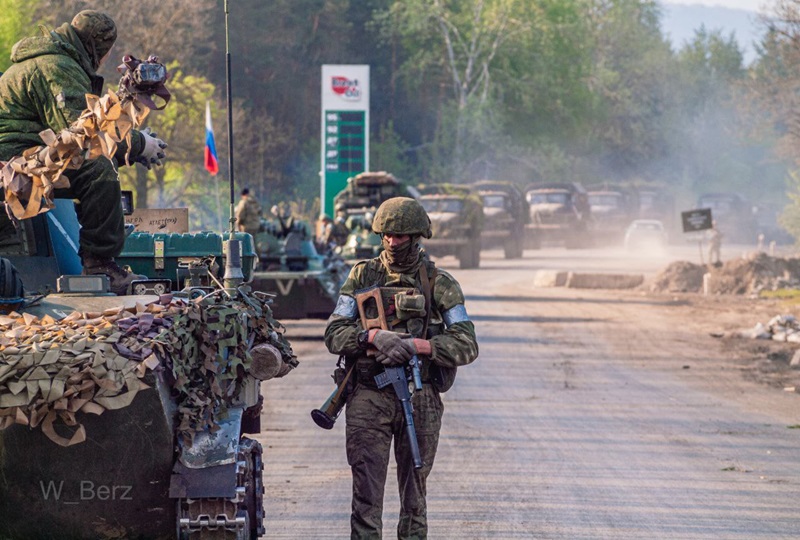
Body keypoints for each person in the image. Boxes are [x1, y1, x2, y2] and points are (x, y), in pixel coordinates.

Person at [324, 196, 479, 539]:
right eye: (387, 236)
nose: (393, 243)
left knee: (414, 498)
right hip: (369, 395)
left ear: (417, 236)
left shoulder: (439, 283)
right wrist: (371, 337)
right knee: (365, 495)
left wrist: (419, 346)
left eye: (401, 236)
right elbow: (334, 332)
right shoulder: (362, 275)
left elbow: (467, 343)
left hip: (419, 396)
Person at [0, 10, 167, 295]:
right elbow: (83, 135)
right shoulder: (56, 66)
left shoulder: (47, 59)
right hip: (16, 166)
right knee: (98, 168)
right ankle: (100, 266)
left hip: (21, 156)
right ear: (96, 46)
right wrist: (141, 144)